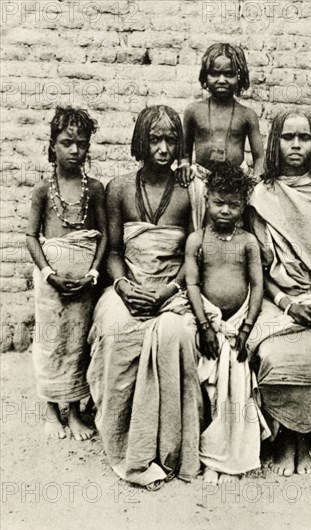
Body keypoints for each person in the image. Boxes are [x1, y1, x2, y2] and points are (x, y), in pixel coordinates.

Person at [86, 105, 203, 490]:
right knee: (118, 331)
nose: (164, 147)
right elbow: (115, 250)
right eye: (155, 138)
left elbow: (194, 255)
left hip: (172, 289)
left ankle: (170, 449)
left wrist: (168, 291)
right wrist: (122, 287)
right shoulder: (119, 188)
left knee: (176, 335)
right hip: (128, 286)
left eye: (171, 139)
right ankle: (125, 446)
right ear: (141, 140)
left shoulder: (190, 192)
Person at [246, 109, 311, 476]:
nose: (296, 145)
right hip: (275, 301)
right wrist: (287, 303)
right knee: (272, 353)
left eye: (304, 138)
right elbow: (258, 269)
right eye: (288, 137)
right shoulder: (261, 196)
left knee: (309, 356)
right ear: (275, 143)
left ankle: (303, 439)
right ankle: (284, 440)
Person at [26, 106, 107, 441]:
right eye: (67, 142)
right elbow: (32, 237)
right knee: (50, 343)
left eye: (82, 143)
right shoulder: (43, 191)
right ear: (52, 145)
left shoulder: (95, 189)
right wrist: (48, 274)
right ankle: (50, 410)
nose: (75, 150)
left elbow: (103, 237)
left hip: (83, 283)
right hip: (52, 284)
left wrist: (92, 273)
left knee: (76, 344)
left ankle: (74, 411)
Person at [185, 163, 267, 484]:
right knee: (210, 387)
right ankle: (209, 457)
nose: (225, 210)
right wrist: (205, 326)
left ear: (243, 205)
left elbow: (257, 286)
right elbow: (192, 285)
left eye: (234, 204)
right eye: (219, 202)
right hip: (210, 324)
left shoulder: (247, 242)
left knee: (236, 387)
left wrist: (246, 328)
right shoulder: (197, 240)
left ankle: (231, 459)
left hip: (237, 326)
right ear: (206, 198)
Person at [177, 43, 264, 209]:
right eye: (215, 74)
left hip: (236, 181)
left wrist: (256, 179)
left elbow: (259, 157)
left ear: (240, 77)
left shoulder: (247, 114)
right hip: (200, 178)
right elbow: (184, 152)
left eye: (229, 74)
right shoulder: (193, 110)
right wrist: (184, 166)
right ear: (205, 76)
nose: (222, 80)